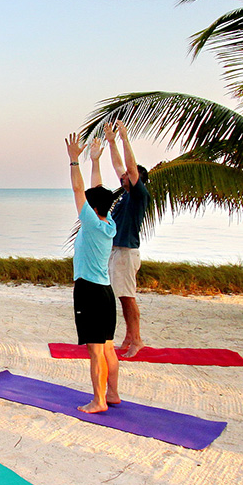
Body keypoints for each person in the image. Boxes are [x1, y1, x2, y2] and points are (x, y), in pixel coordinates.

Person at [66, 133, 121, 413]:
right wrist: (96, 161)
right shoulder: (107, 220)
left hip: (89, 291)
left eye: (88, 204)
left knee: (95, 350)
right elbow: (99, 191)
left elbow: (79, 191)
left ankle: (99, 401)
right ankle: (112, 394)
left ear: (92, 208)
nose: (84, 205)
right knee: (108, 347)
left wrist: (75, 160)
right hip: (105, 292)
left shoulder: (91, 222)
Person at [105, 121, 150, 358]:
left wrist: (124, 139)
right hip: (117, 252)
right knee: (122, 297)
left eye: (128, 176)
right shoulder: (124, 197)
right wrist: (111, 141)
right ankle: (129, 337)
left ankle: (137, 340)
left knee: (128, 298)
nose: (123, 176)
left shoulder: (138, 196)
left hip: (126, 252)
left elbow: (130, 169)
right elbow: (119, 167)